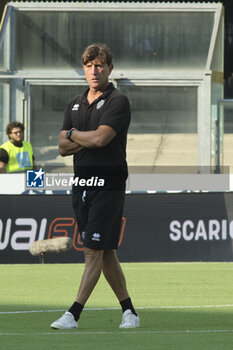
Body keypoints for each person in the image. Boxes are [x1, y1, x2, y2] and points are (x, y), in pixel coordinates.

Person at [50, 43, 140, 330]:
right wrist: (82, 137)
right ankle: (130, 312)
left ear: (110, 68)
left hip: (109, 184)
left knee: (92, 251)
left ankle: (73, 314)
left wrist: (74, 134)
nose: (94, 70)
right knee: (106, 251)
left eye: (100, 65)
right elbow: (62, 148)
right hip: (82, 184)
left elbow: (101, 140)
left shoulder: (117, 101)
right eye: (89, 66)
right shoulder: (74, 103)